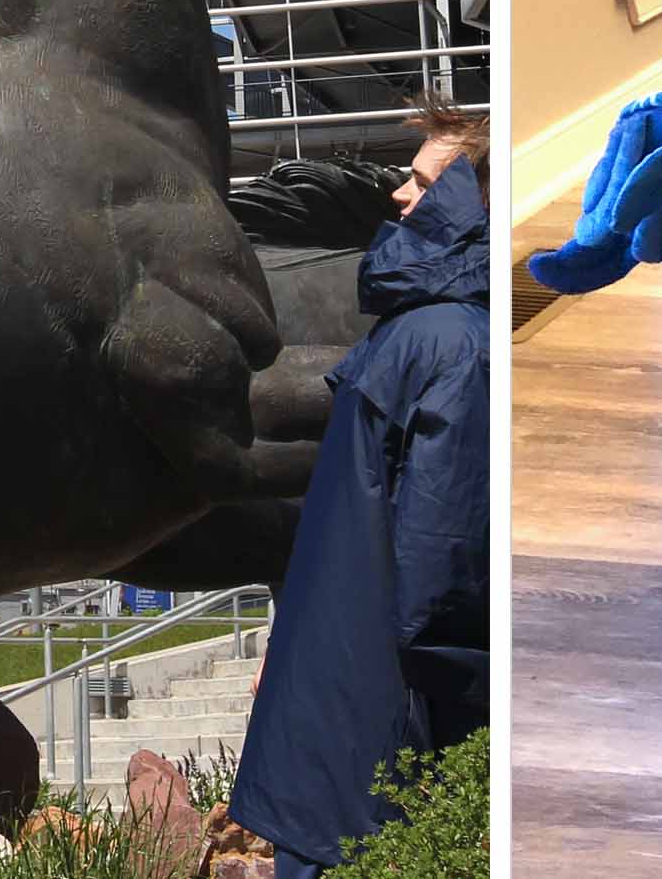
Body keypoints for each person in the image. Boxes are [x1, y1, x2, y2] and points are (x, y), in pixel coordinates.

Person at [228, 94, 492, 879]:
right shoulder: (454, 343)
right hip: (384, 745)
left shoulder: (421, 336)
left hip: (340, 732)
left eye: (422, 183)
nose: (399, 196)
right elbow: (441, 573)